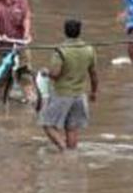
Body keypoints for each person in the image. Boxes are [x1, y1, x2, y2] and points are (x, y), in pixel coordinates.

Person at [39, 19, 97, 152]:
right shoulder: (89, 49)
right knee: (72, 128)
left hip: (63, 93)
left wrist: (46, 72)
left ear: (65, 31)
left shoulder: (61, 50)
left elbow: (56, 74)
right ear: (79, 31)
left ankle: (63, 149)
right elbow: (93, 74)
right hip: (80, 95)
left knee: (47, 124)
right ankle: (71, 155)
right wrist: (94, 92)